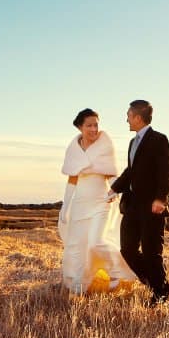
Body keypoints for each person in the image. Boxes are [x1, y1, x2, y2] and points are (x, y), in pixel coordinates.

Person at [58, 108, 138, 295]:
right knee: (78, 245)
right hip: (80, 204)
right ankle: (79, 283)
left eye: (96, 124)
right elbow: (72, 179)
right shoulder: (73, 148)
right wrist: (65, 206)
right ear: (80, 127)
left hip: (101, 202)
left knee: (96, 242)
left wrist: (115, 192)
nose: (94, 129)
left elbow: (110, 173)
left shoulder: (104, 144)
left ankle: (118, 273)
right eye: (89, 125)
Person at [107, 99, 169, 306]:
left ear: (137, 116)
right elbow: (131, 172)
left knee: (152, 253)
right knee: (127, 249)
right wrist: (114, 189)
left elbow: (165, 172)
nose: (126, 119)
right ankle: (157, 284)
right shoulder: (132, 143)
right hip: (133, 205)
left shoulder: (159, 139)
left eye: (128, 115)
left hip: (152, 207)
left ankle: (160, 295)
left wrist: (161, 199)